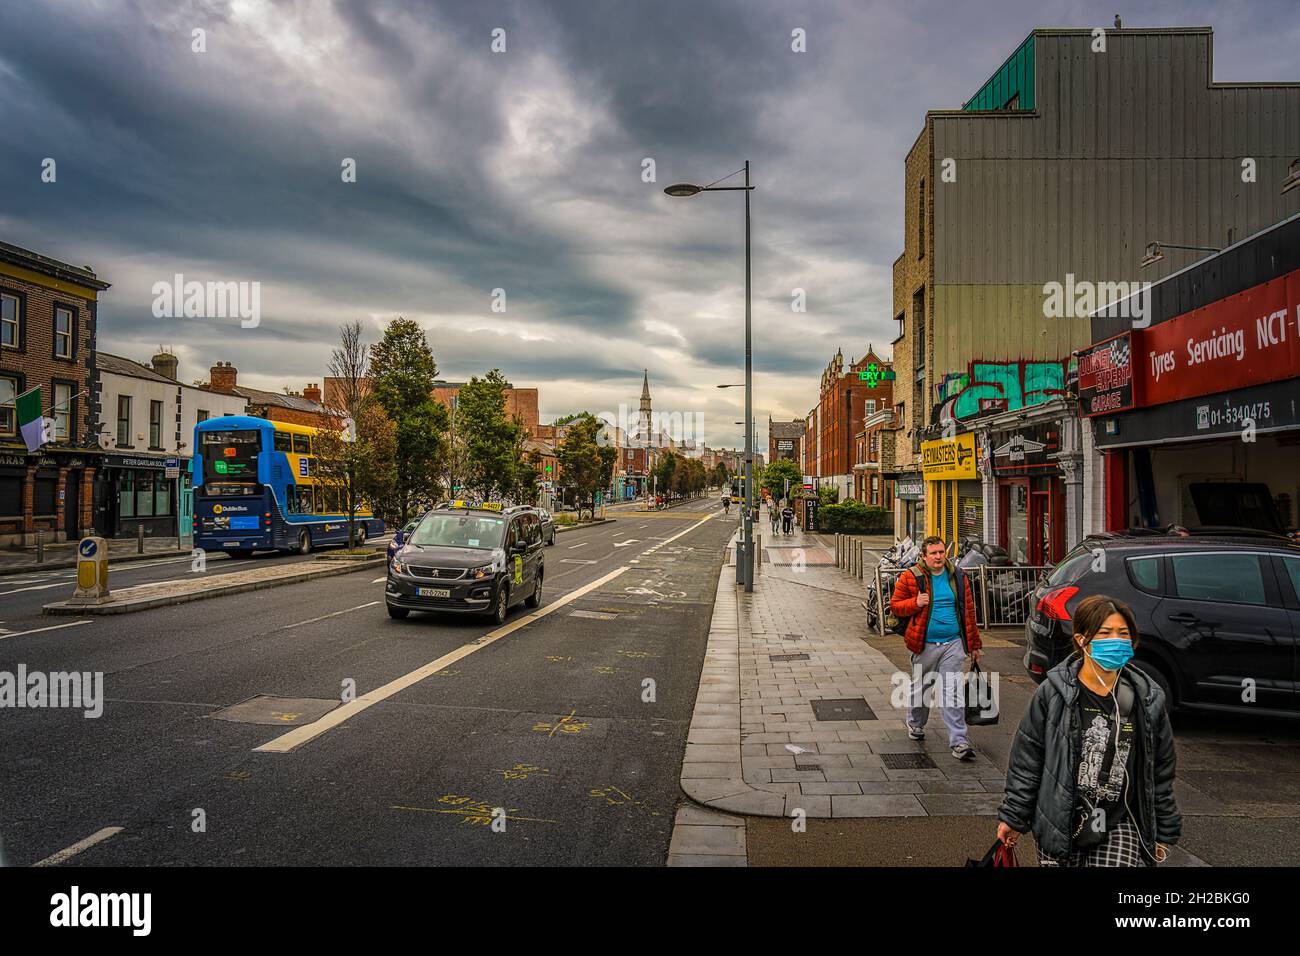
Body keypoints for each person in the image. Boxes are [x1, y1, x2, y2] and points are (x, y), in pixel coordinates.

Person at [996, 595, 1181, 867]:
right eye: (1105, 633)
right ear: (1082, 640)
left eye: (1123, 634)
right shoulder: (1053, 694)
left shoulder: (1148, 700)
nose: (1116, 640)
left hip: (1120, 820)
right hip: (1060, 818)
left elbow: (1160, 771)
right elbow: (1028, 759)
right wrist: (1013, 816)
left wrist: (1164, 830)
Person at [888, 535, 983, 761]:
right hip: (924, 645)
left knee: (952, 691)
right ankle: (916, 724)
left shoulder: (958, 577)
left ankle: (959, 741)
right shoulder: (911, 577)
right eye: (934, 553)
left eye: (941, 552)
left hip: (953, 644)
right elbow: (894, 606)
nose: (939, 557)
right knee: (922, 688)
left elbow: (968, 612)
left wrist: (974, 644)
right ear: (924, 556)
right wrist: (915, 603)